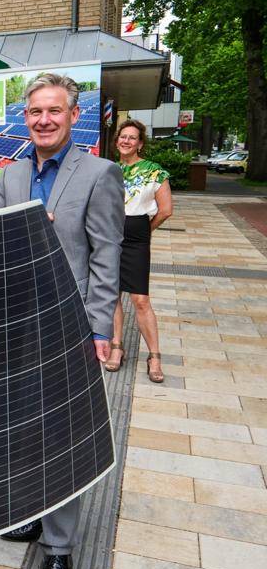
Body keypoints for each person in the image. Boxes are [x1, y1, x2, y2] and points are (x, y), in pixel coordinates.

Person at [0, 73, 124, 569]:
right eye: (35, 112)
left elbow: (106, 256)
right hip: (16, 325)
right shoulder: (12, 176)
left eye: (54, 111)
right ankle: (32, 512)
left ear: (72, 115)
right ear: (25, 118)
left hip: (69, 327)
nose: (44, 120)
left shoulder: (99, 173)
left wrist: (100, 327)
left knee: (63, 437)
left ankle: (60, 549)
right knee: (21, 428)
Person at [105, 119, 172, 382]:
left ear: (140, 143)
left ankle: (154, 356)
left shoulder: (154, 171)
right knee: (113, 295)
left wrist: (145, 231)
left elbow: (165, 210)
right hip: (110, 236)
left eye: (132, 137)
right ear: (117, 141)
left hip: (136, 238)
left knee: (140, 299)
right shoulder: (109, 170)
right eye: (123, 136)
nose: (126, 141)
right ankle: (116, 347)